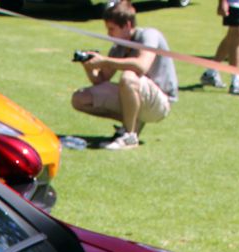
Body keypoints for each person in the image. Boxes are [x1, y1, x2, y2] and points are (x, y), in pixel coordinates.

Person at [71, 1, 179, 151]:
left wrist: (105, 60)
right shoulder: (118, 47)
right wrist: (89, 66)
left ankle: (129, 137)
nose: (109, 34)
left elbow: (141, 66)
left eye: (112, 29)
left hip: (160, 103)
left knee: (128, 77)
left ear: (127, 25)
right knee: (79, 99)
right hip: (139, 96)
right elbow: (101, 80)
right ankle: (132, 124)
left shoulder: (149, 35)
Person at [201, 0, 239, 96]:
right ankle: (236, 80)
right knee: (238, 35)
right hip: (234, 3)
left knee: (233, 36)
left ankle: (210, 72)